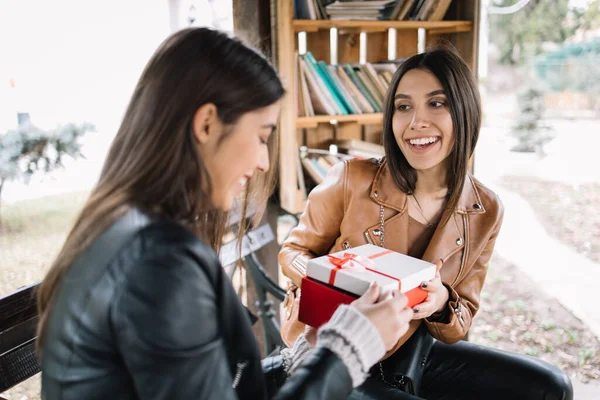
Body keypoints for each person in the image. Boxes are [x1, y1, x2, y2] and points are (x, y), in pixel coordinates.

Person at [36, 27, 416, 400]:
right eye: (262, 136)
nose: (264, 162)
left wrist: (307, 357)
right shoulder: (158, 262)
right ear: (206, 124)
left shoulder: (130, 228)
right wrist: (348, 347)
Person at [279, 47, 573, 399]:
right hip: (335, 346)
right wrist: (339, 279)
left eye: (437, 103)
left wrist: (439, 301)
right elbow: (293, 251)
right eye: (404, 107)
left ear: (465, 111)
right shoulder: (350, 178)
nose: (417, 121)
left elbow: (460, 320)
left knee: (550, 387)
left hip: (412, 352)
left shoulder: (486, 209)